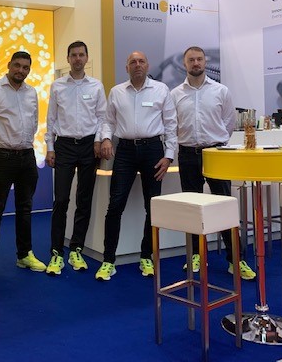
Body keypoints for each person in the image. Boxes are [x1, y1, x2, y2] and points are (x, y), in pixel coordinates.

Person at [170, 46, 256, 280]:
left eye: (199, 59)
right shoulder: (175, 94)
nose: (196, 63)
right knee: (192, 206)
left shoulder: (221, 91)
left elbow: (228, 121)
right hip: (187, 154)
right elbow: (172, 124)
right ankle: (196, 255)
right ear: (185, 64)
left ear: (205, 62)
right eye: (191, 60)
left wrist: (218, 142)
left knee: (224, 206)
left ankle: (235, 260)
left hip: (216, 153)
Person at [96, 51, 177, 281]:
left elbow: (171, 124)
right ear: (127, 67)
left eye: (141, 61)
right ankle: (108, 260)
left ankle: (146, 255)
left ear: (147, 65)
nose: (137, 65)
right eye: (133, 62)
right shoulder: (117, 91)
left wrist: (169, 156)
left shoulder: (161, 89)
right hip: (125, 151)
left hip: (153, 151)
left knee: (152, 207)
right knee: (115, 205)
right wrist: (106, 139)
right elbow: (108, 121)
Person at [0, 51, 47, 282]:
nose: (21, 71)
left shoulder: (31, 92)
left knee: (25, 209)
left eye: (26, 67)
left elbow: (33, 123)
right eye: (17, 65)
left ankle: (24, 255)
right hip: (2, 158)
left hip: (27, 157)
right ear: (9, 65)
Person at [44, 40, 108, 276]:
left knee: (84, 199)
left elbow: (102, 118)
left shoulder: (96, 86)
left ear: (87, 58)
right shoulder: (58, 86)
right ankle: (56, 252)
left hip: (89, 147)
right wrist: (50, 147)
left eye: (81, 54)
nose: (78, 58)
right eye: (74, 55)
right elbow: (51, 119)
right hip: (64, 146)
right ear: (68, 59)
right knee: (61, 199)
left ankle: (76, 249)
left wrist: (99, 140)